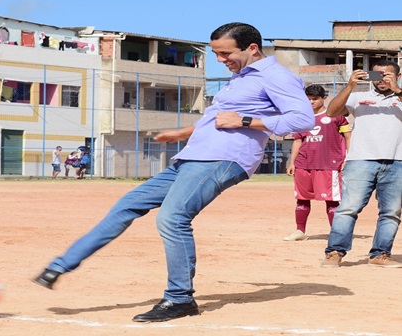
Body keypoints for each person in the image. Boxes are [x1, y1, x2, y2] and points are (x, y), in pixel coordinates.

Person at [32, 22, 315, 322]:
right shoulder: (241, 77)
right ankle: (60, 266)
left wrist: (246, 121)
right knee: (126, 205)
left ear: (252, 48)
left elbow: (302, 119)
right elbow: (219, 119)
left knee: (173, 217)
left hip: (224, 158)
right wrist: (182, 133)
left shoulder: (276, 76)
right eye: (216, 54)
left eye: (225, 53)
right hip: (193, 156)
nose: (220, 60)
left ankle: (179, 298)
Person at [320, 60, 402, 268]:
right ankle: (335, 252)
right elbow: (331, 112)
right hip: (360, 160)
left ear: (397, 76)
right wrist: (349, 86)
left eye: (387, 75)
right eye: (377, 75)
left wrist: (397, 90)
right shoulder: (358, 97)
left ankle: (380, 254)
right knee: (348, 208)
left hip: (398, 161)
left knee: (391, 212)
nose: (381, 79)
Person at [284, 85, 351, 241]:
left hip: (328, 164)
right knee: (301, 198)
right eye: (308, 99)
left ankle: (336, 234)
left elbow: (348, 137)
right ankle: (300, 231)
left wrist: (347, 158)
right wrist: (292, 162)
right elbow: (298, 140)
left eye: (315, 99)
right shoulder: (302, 118)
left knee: (332, 200)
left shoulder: (337, 116)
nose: (311, 102)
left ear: (324, 98)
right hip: (303, 164)